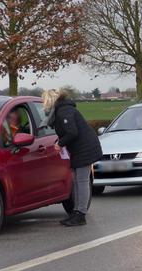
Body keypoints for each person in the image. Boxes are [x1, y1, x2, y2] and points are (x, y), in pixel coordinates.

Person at [50, 89, 103, 227]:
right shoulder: (63, 110)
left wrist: (60, 144)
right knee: (77, 181)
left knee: (82, 180)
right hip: (79, 149)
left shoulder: (64, 111)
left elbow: (72, 132)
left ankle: (81, 214)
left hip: (85, 149)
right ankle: (76, 211)